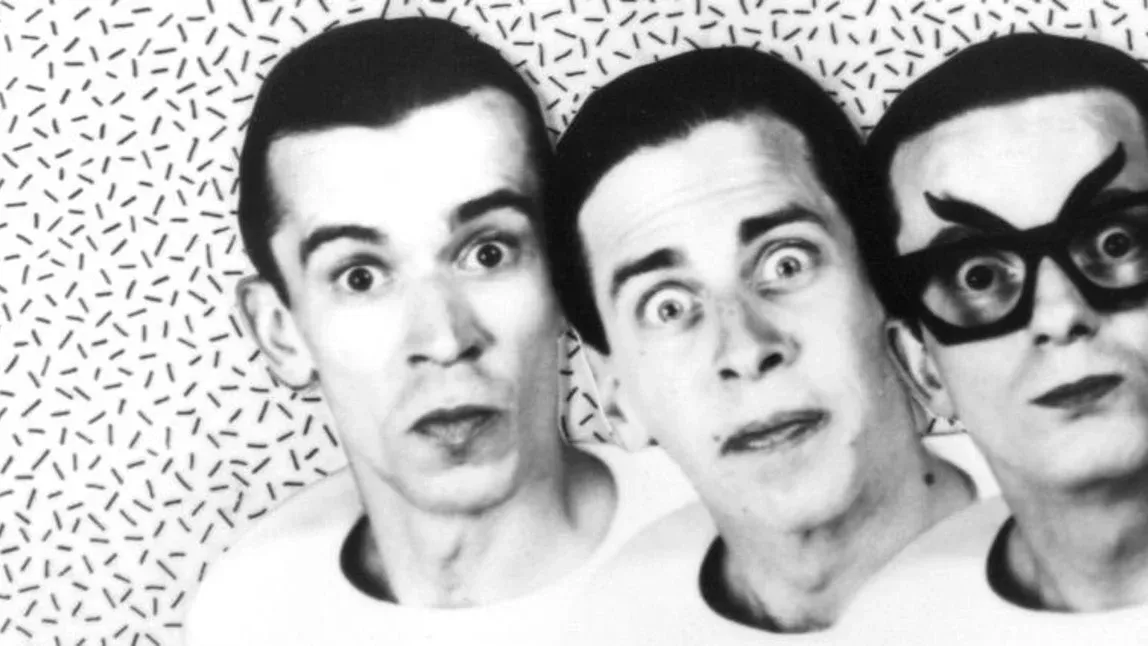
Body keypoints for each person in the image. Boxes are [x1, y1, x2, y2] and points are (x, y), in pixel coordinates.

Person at [182, 17, 692, 646]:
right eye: (361, 276)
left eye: (487, 253)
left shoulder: (725, 540)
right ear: (280, 331)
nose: (446, 339)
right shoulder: (250, 612)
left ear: (564, 274)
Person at [545, 47, 993, 643]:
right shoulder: (605, 623)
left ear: (885, 289)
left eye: (786, 263)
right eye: (667, 307)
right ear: (615, 399)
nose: (746, 349)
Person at [853, 33, 1148, 642]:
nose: (1060, 315)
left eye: (1115, 241)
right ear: (923, 367)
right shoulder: (892, 628)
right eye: (979, 275)